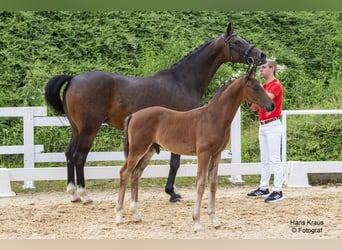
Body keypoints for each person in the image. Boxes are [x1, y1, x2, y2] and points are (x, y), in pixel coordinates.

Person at [247, 60, 284, 203]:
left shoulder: (276, 86)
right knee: (265, 159)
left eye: (264, 68)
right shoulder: (264, 86)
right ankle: (264, 187)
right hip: (263, 125)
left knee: (275, 159)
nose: (261, 70)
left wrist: (252, 97)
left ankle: (278, 190)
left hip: (273, 124)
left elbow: (264, 100)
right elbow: (253, 107)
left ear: (272, 69)